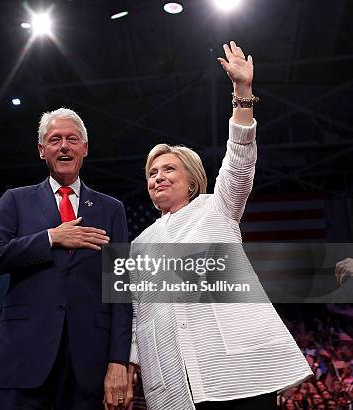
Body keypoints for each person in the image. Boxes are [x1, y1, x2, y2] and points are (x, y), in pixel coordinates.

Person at [126, 41, 312, 409]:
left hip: (237, 372)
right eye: (151, 173)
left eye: (168, 169)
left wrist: (243, 94)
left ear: (192, 180)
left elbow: (240, 160)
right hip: (176, 383)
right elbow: (136, 316)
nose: (158, 177)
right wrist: (127, 369)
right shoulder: (139, 245)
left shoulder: (217, 208)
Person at [0, 108, 132, 409]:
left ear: (84, 148)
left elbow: (121, 291)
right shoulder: (15, 200)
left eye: (72, 139)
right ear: (41, 150)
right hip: (24, 360)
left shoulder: (111, 209)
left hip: (89, 364)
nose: (64, 146)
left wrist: (118, 360)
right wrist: (50, 238)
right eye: (55, 139)